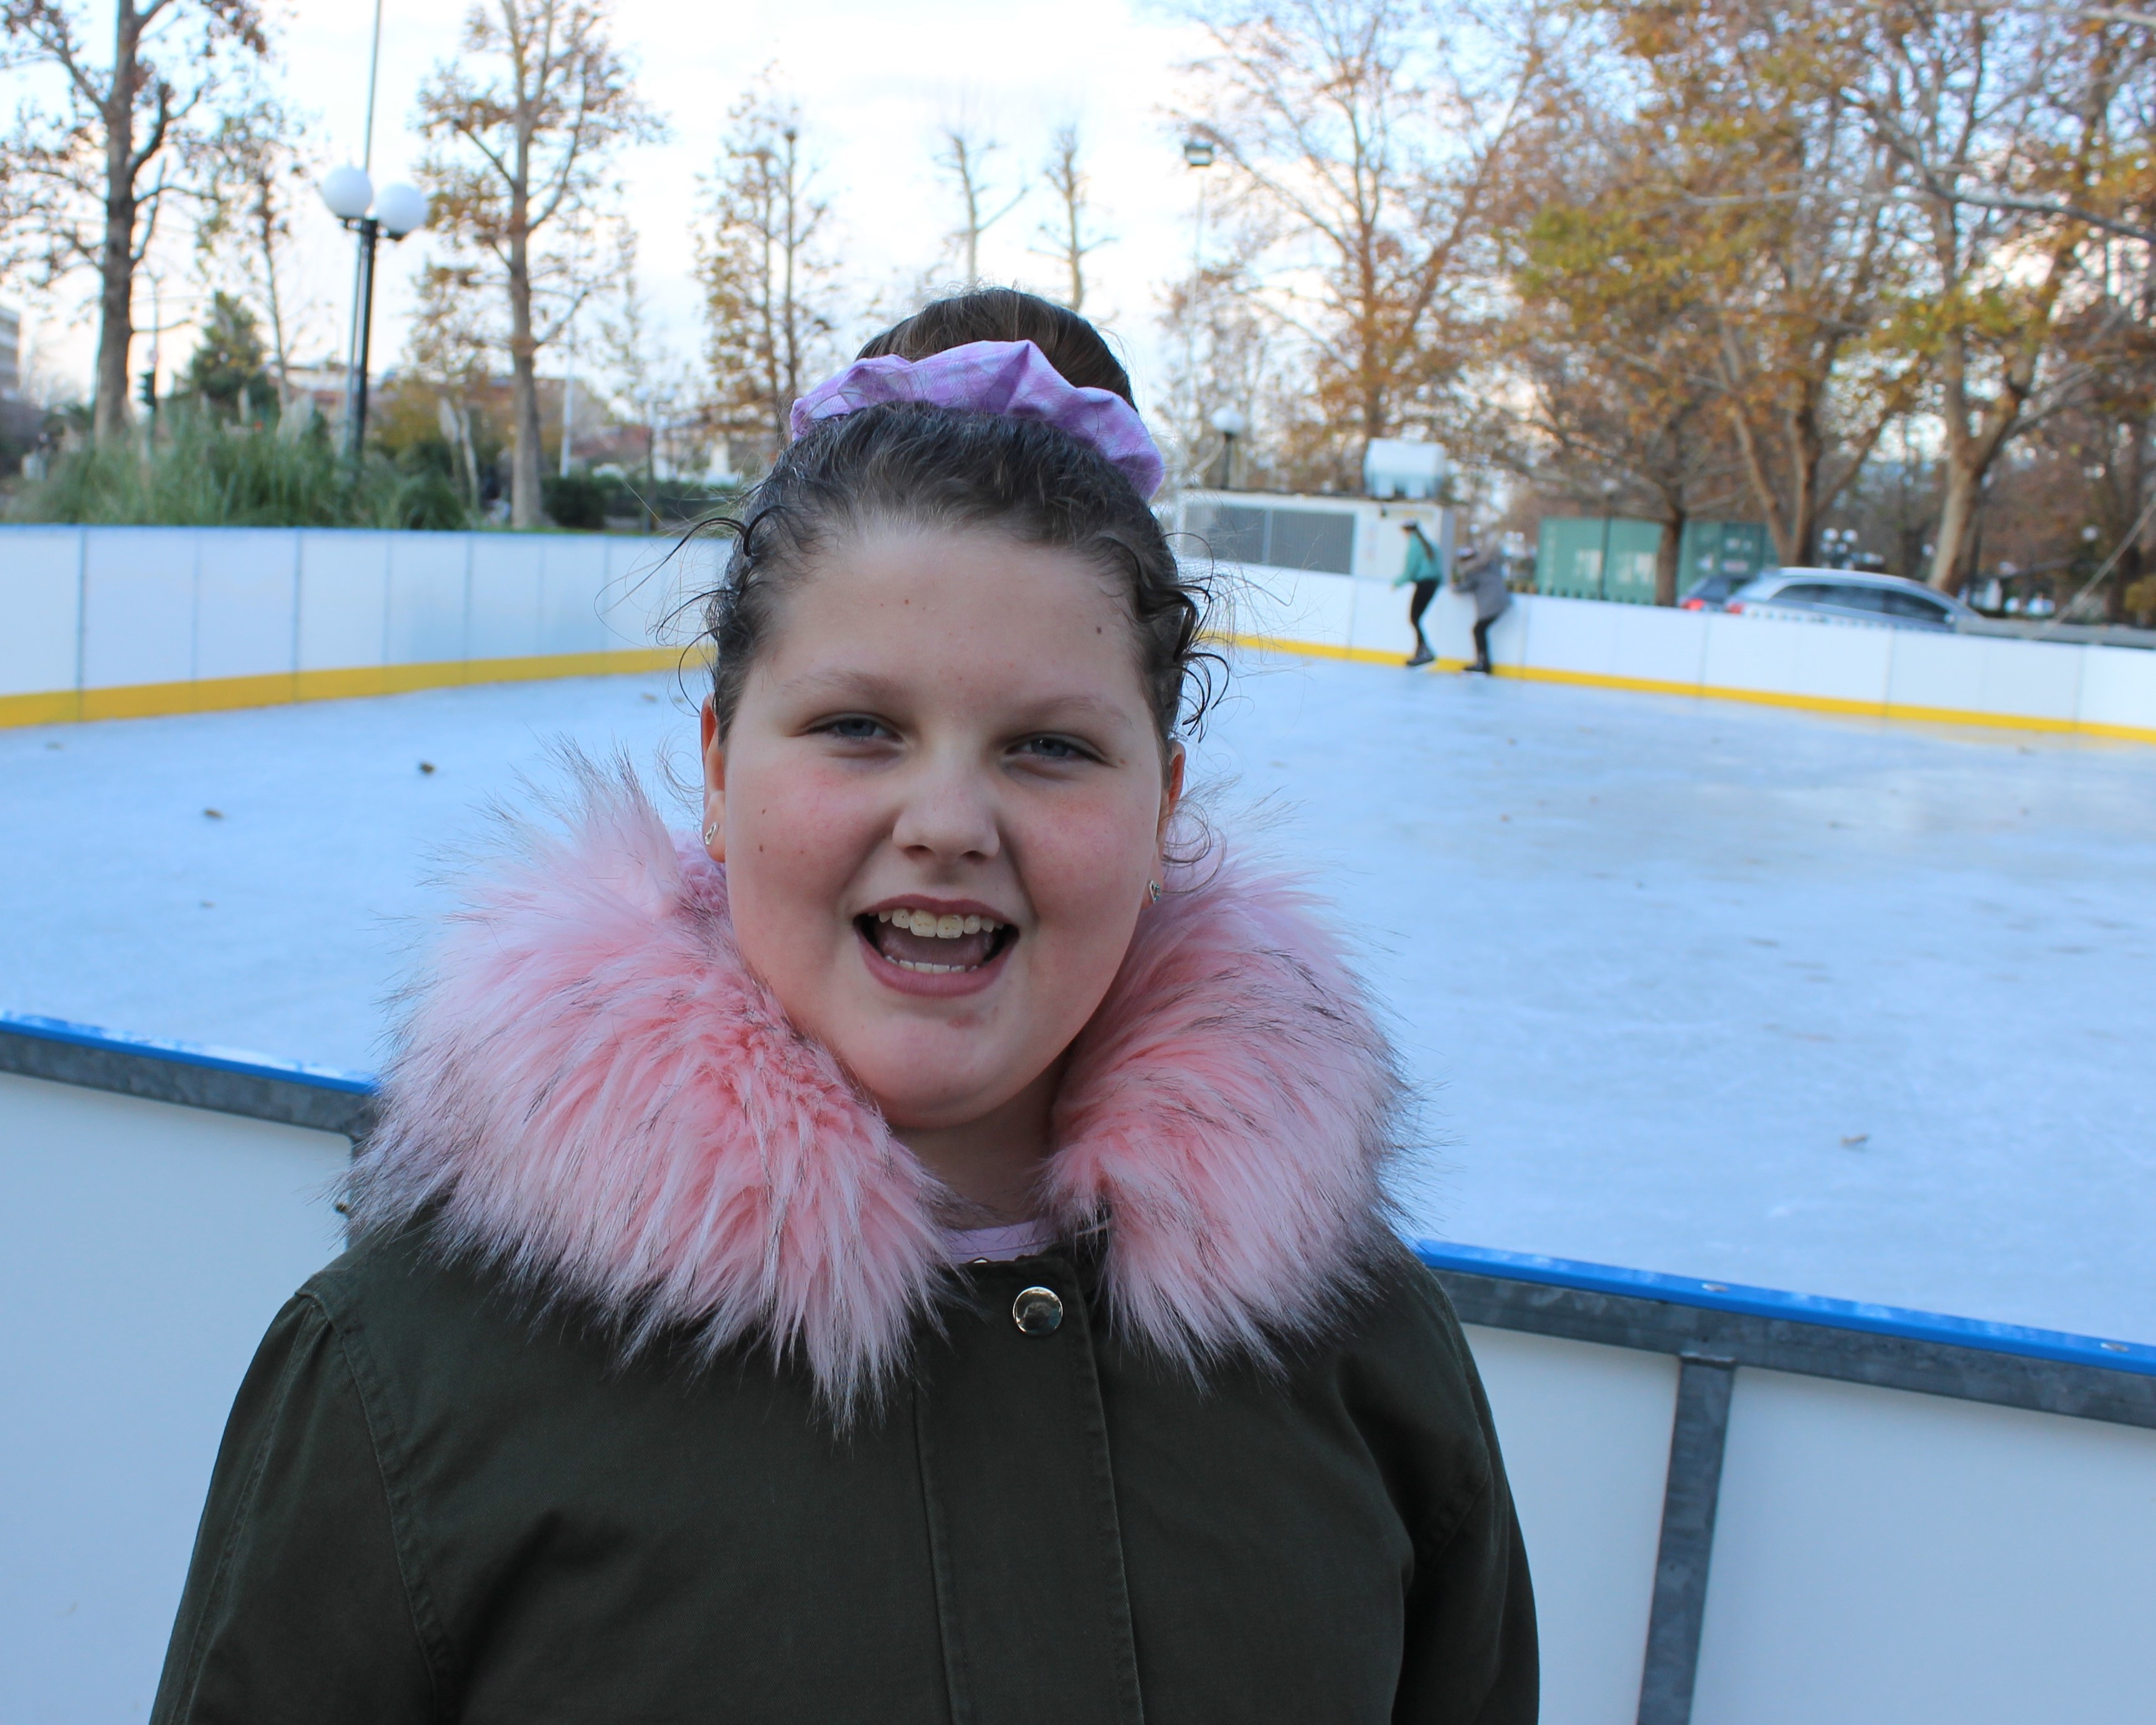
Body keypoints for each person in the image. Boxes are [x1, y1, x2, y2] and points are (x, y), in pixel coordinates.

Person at [148, 289, 1536, 1725]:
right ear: (717, 766)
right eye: (858, 726)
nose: (947, 819)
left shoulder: (1368, 1366)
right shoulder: (408, 1375)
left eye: (1050, 745)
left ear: (1162, 804)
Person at [1454, 541, 1510, 674]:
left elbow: (1466, 586)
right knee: (1480, 630)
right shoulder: (1489, 565)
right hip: (1501, 601)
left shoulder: (1472, 570)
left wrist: (1455, 588)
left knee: (1479, 630)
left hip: (1491, 604)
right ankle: (1484, 663)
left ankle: (1482, 663)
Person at [1395, 518, 1444, 666]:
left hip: (1424, 584)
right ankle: (1421, 651)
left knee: (1414, 617)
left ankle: (1424, 651)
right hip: (1432, 584)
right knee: (1416, 618)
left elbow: (1410, 569)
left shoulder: (1415, 545)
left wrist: (1397, 583)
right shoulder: (1430, 544)